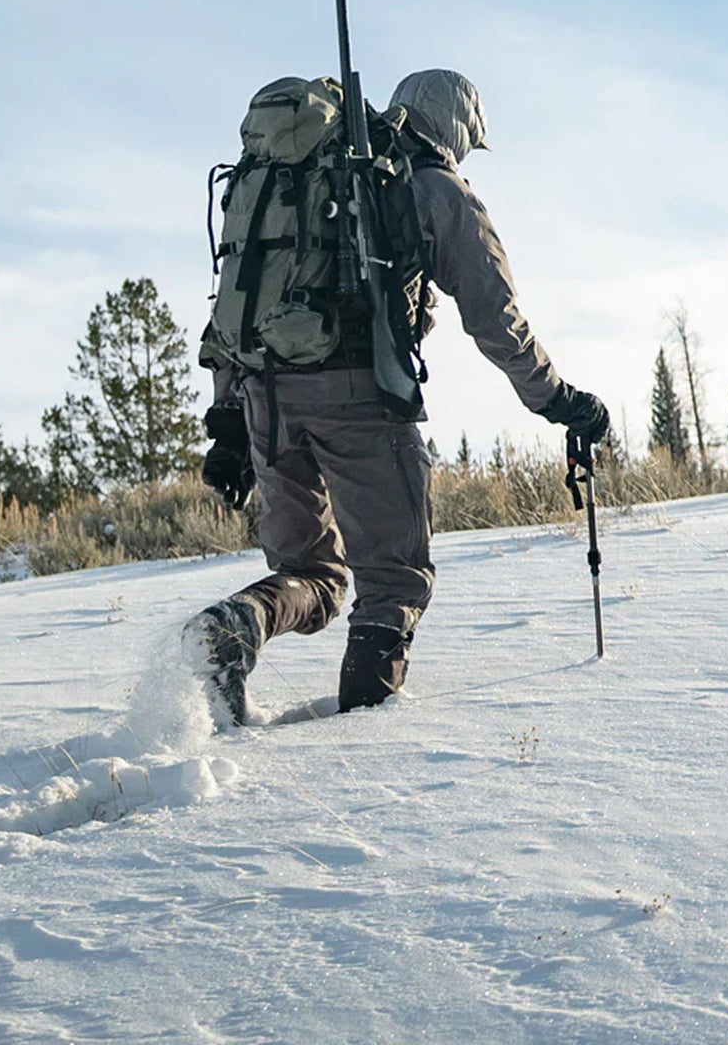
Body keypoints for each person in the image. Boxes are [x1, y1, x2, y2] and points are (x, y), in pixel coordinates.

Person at [184, 69, 609, 728]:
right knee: (392, 583)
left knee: (314, 578)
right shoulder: (432, 188)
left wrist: (230, 426)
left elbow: (233, 302)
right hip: (359, 399)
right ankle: (369, 741)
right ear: (456, 130)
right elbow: (497, 319)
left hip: (263, 397)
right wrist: (557, 400)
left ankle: (239, 622)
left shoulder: (299, 177)